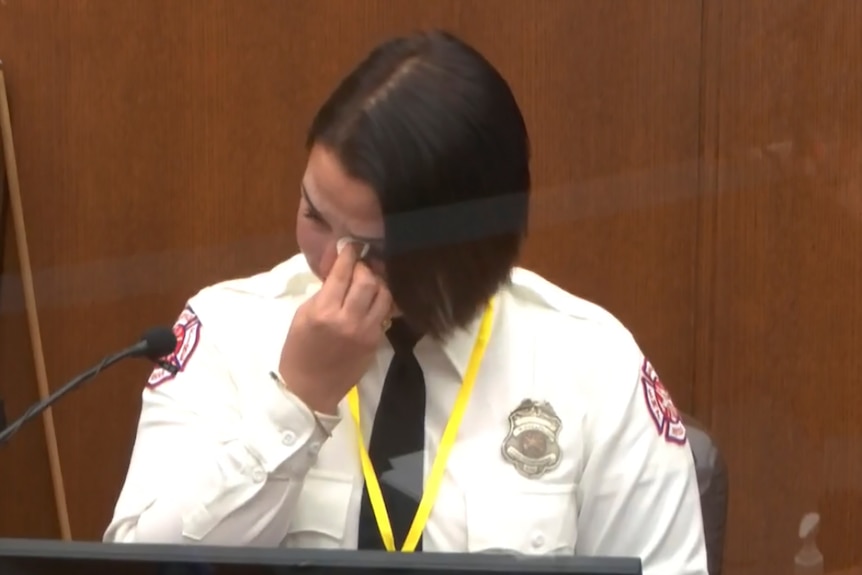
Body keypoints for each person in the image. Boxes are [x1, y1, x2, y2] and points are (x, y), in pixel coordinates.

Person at [104, 30, 708, 575]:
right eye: (314, 214)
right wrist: (296, 401)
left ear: (470, 248)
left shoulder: (591, 363)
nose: (332, 264)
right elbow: (139, 562)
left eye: (371, 250)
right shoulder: (226, 329)